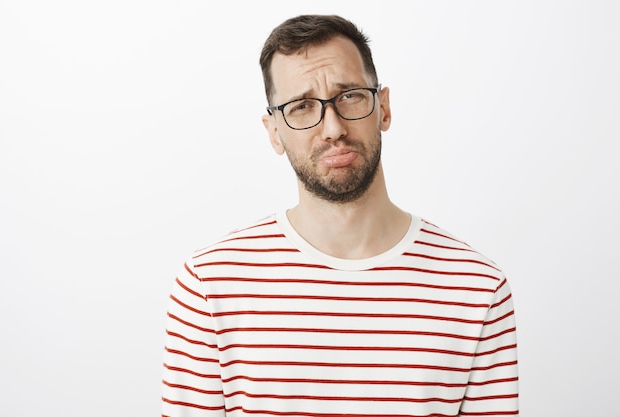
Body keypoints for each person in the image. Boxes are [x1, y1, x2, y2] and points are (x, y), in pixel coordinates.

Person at [162, 14, 518, 417]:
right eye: (301, 106)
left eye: (349, 96)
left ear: (382, 107)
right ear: (274, 131)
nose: (332, 127)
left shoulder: (476, 289)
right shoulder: (210, 285)